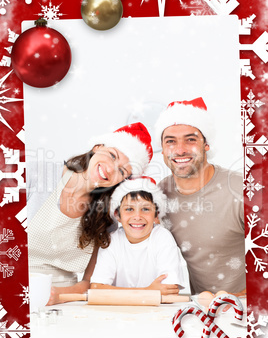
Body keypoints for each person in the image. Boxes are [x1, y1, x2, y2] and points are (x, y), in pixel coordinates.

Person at [27, 122, 153, 299]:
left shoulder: (107, 216)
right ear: (97, 147)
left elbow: (90, 283)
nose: (110, 168)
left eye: (122, 171)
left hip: (65, 300)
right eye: (112, 155)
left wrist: (57, 295)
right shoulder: (36, 175)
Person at [154, 97, 246, 296]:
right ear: (162, 149)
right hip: (201, 312)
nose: (180, 150)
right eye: (171, 141)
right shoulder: (158, 196)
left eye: (191, 139)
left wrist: (234, 300)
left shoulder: (242, 190)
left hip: (251, 309)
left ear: (206, 144)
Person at [90, 176, 186, 294]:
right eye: (129, 209)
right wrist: (147, 291)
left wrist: (117, 293)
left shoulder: (163, 238)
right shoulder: (112, 241)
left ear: (156, 214)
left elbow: (169, 291)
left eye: (145, 209)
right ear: (117, 215)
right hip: (117, 311)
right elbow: (96, 289)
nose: (137, 216)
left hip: (155, 311)